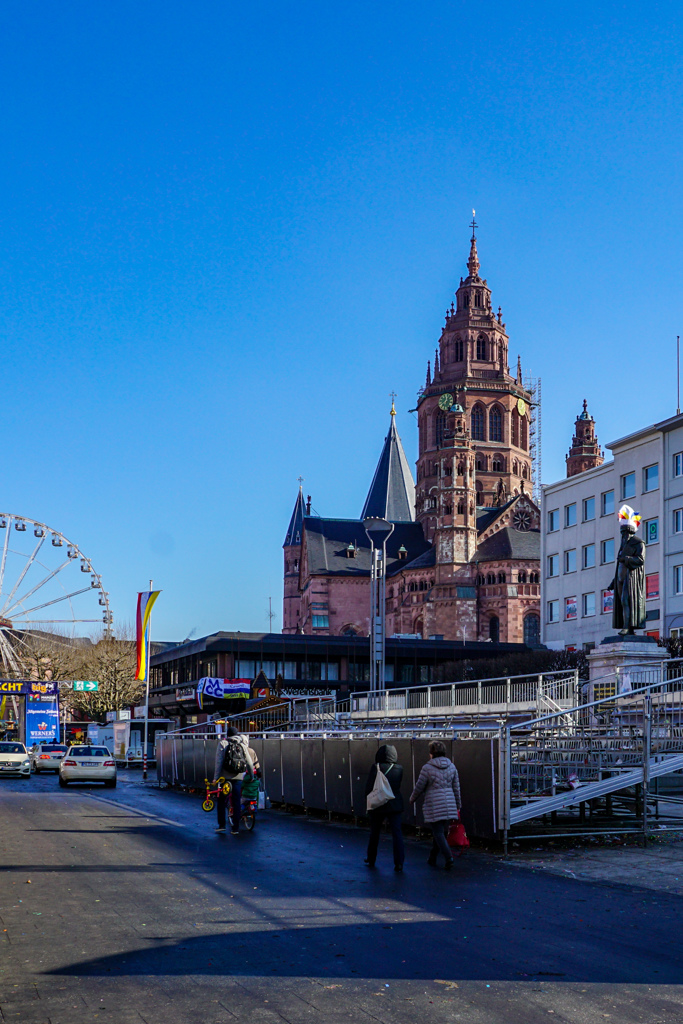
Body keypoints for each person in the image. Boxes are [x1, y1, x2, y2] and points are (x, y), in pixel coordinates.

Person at [410, 740, 462, 871]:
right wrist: (458, 805)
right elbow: (456, 788)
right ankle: (432, 857)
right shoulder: (452, 766)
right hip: (449, 803)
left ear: (431, 753)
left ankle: (449, 857)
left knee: (438, 833)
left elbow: (419, 787)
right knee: (440, 832)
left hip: (434, 804)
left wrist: (412, 799)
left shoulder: (427, 768)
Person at [364, 744, 405, 872]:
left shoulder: (376, 767)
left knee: (375, 832)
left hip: (378, 804)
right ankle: (399, 862)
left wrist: (368, 802)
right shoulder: (399, 768)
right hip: (394, 803)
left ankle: (371, 858)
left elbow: (369, 787)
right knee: (397, 833)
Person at [212, 726, 253, 835]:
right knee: (236, 802)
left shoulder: (223, 744)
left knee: (221, 801)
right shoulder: (242, 745)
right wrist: (252, 776)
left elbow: (219, 763)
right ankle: (235, 828)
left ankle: (221, 826)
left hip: (224, 779)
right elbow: (249, 762)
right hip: (238, 778)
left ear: (227, 735)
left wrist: (216, 778)